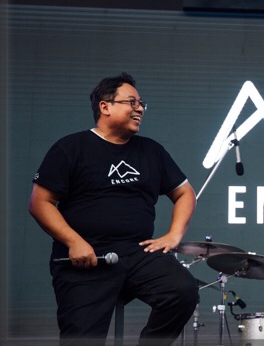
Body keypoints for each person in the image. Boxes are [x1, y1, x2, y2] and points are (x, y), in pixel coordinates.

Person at [29, 72, 199, 346]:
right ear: (105, 106)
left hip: (137, 252)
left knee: (182, 291)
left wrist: (173, 235)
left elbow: (185, 193)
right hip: (87, 257)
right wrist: (74, 242)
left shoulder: (151, 151)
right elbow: (40, 203)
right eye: (131, 102)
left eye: (141, 104)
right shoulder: (71, 147)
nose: (139, 109)